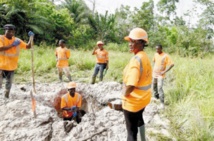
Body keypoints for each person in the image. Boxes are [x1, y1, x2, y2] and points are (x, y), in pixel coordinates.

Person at [122, 28, 152, 141]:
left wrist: (124, 94)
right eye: (129, 41)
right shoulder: (144, 56)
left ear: (141, 43)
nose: (130, 44)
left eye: (133, 41)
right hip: (143, 99)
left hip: (133, 103)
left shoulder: (136, 60)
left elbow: (131, 85)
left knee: (131, 133)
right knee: (139, 119)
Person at [0, 24, 34, 98]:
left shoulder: (17, 40)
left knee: (9, 83)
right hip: (1, 66)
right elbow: (1, 48)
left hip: (11, 66)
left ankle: (6, 96)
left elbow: (28, 46)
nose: (11, 33)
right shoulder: (1, 38)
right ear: (5, 31)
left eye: (12, 32)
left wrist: (31, 38)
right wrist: (12, 45)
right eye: (9, 31)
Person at [152, 44, 174, 109]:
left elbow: (172, 64)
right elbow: (154, 61)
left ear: (161, 49)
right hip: (154, 74)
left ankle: (162, 103)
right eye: (156, 49)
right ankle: (156, 97)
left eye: (158, 49)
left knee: (160, 88)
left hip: (161, 75)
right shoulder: (155, 54)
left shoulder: (165, 56)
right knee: (154, 86)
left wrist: (164, 71)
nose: (157, 50)